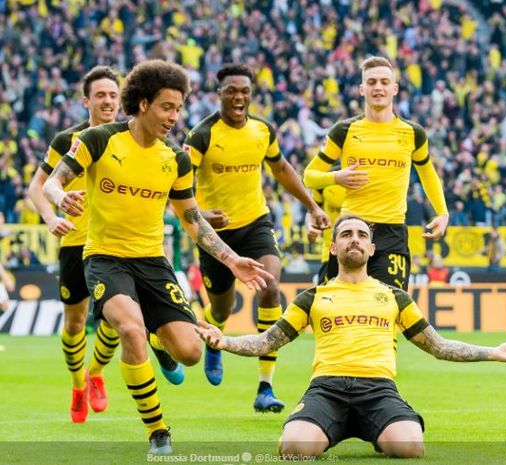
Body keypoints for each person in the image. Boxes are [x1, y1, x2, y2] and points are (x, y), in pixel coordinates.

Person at [42, 59, 273, 454]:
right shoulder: (99, 140)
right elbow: (51, 182)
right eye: (168, 106)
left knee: (191, 353)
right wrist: (61, 198)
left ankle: (155, 333)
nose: (174, 116)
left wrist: (232, 259)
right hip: (105, 259)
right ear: (144, 103)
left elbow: (193, 220)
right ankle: (158, 431)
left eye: (179, 108)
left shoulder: (175, 160)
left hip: (153, 262)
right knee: (128, 329)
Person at [196, 215, 506, 459]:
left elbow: (438, 346)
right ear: (333, 248)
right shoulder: (313, 297)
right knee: (293, 450)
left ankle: (373, 427)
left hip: (378, 390)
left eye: (361, 235)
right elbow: (267, 341)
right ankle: (333, 427)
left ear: (372, 249)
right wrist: (224, 342)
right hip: (326, 389)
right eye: (346, 234)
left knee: (410, 448)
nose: (355, 239)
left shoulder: (395, 296)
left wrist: (493, 352)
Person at [183, 63, 330, 410]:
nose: (239, 96)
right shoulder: (201, 136)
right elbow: (180, 186)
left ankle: (265, 387)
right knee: (222, 306)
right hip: (215, 233)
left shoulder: (263, 130)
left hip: (255, 224)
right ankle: (214, 341)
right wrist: (201, 215)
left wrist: (311, 205)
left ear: (251, 94)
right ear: (219, 94)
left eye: (245, 91)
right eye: (232, 90)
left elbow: (280, 169)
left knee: (270, 286)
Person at [303, 56, 449, 291]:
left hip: (392, 231)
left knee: (389, 310)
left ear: (394, 88)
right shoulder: (344, 130)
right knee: (343, 311)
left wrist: (442, 213)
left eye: (384, 82)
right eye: (371, 82)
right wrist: (336, 177)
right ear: (362, 89)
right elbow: (309, 176)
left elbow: (427, 174)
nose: (378, 87)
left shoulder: (413, 133)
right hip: (351, 230)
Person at [27, 66, 122, 423]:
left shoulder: (130, 136)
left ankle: (95, 373)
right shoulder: (67, 140)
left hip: (113, 243)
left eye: (113, 95)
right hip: (74, 242)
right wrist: (51, 218)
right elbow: (37, 187)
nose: (108, 101)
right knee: (74, 323)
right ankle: (77, 386)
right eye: (100, 95)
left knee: (115, 319)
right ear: (86, 101)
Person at [306, 182, 346, 283]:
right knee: (324, 295)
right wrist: (310, 226)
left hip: (360, 252)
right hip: (330, 250)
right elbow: (311, 211)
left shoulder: (368, 178)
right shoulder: (324, 178)